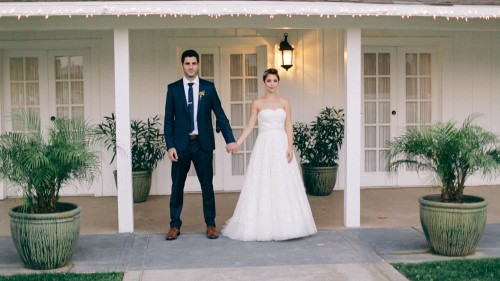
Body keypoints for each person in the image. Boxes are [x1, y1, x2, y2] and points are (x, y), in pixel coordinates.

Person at [221, 68, 317, 241]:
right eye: (269, 81)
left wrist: (290, 146)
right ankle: (263, 225)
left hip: (281, 144)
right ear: (264, 82)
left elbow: (288, 125)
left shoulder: (285, 102)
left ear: (278, 82)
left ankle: (288, 224)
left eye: (275, 80)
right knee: (264, 181)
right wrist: (237, 143)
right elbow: (250, 126)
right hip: (264, 145)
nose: (272, 84)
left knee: (283, 181)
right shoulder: (257, 103)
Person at [164, 49, 238, 240]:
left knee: (207, 186)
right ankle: (174, 225)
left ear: (198, 65)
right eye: (187, 63)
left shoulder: (208, 88)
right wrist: (170, 145)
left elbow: (220, 115)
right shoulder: (173, 89)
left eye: (194, 63)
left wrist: (230, 139)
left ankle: (211, 225)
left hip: (202, 144)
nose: (191, 67)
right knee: (177, 187)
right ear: (183, 65)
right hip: (180, 146)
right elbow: (168, 121)